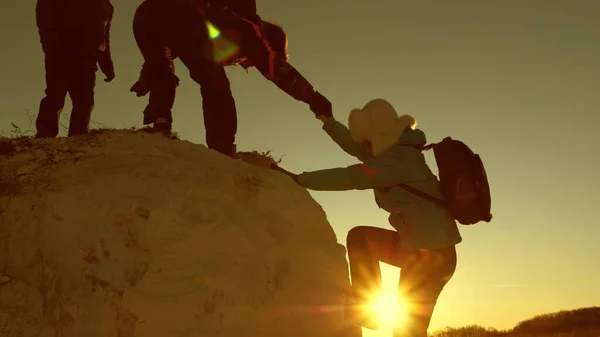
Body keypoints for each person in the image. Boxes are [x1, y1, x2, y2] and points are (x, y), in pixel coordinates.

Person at [270, 98, 462, 337]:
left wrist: (300, 180)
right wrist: (328, 121)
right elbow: (356, 148)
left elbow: (351, 177)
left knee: (408, 330)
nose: (365, 149)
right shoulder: (393, 152)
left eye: (368, 142)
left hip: (434, 257)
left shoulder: (398, 161)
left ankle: (366, 311)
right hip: (416, 249)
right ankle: (365, 311)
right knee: (361, 239)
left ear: (380, 136)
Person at [131, 0, 332, 157]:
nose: (245, 64)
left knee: (164, 72)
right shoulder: (250, 27)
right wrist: (313, 98)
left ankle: (161, 123)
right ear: (269, 42)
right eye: (247, 60)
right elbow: (274, 67)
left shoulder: (220, 21)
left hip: (145, 17)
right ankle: (222, 148)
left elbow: (170, 50)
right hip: (178, 14)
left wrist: (146, 77)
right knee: (215, 83)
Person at [130, 19, 290, 129]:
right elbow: (170, 49)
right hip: (174, 27)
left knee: (215, 84)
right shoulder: (245, 32)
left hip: (183, 35)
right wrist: (146, 77)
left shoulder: (244, 39)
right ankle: (161, 120)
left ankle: (161, 118)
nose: (249, 65)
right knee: (215, 85)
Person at [35, 0, 115, 138]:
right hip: (61, 52)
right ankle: (44, 138)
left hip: (87, 58)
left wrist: (106, 63)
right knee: (55, 96)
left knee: (85, 101)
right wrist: (50, 44)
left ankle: (78, 138)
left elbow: (104, 35)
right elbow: (44, 13)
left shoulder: (106, 5)